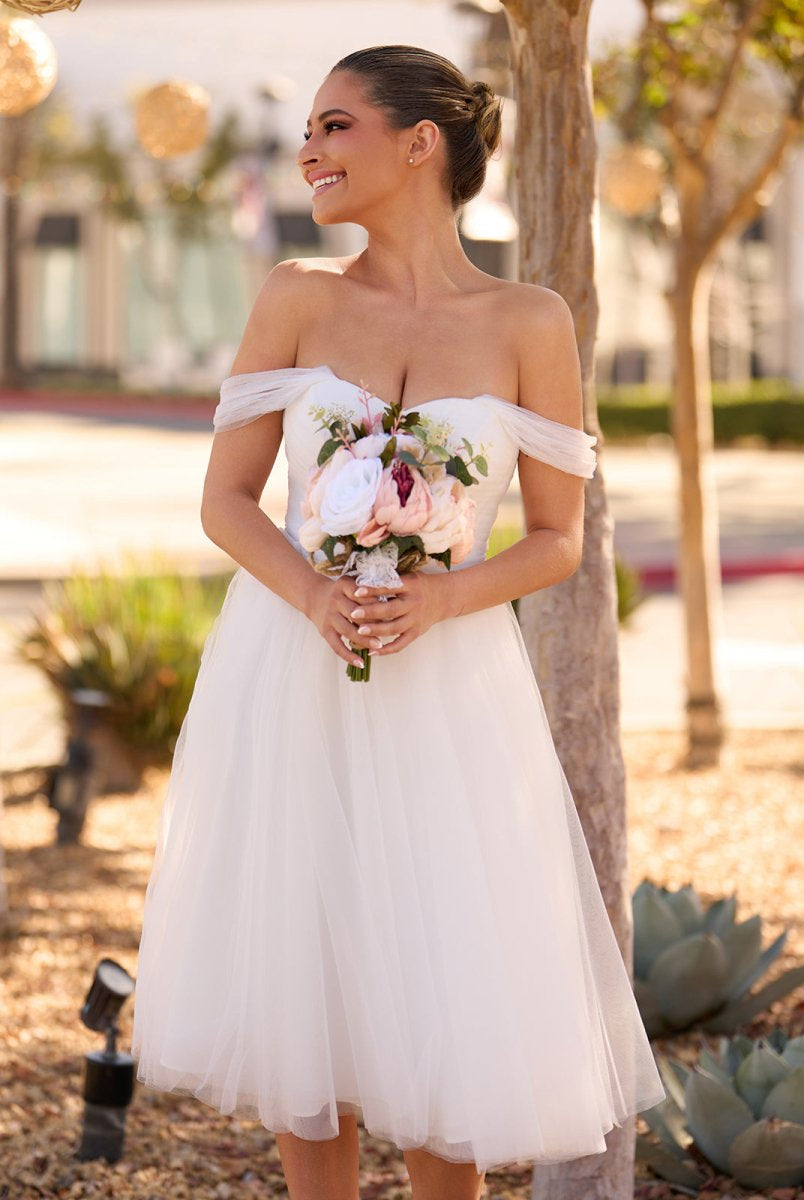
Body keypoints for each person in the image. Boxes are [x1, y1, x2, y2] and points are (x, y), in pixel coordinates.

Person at [130, 44, 666, 1200]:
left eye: (336, 126)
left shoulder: (531, 320)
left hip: (451, 691)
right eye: (308, 131)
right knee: (305, 990)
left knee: (444, 991)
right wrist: (316, 593)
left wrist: (440, 598)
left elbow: (558, 538)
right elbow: (227, 501)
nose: (309, 151)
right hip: (291, 670)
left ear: (421, 142)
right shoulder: (297, 295)